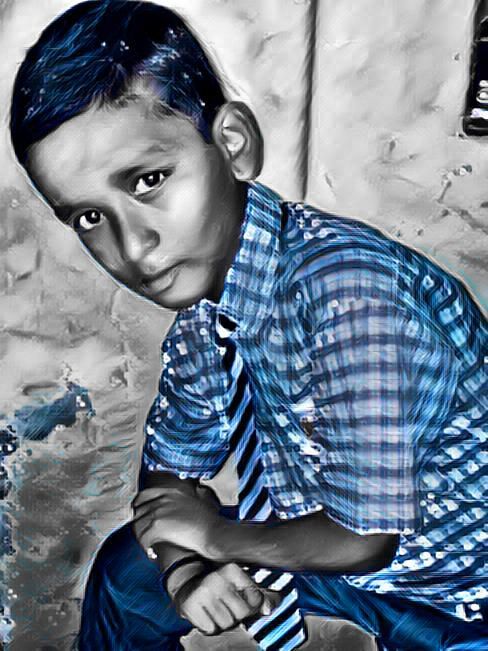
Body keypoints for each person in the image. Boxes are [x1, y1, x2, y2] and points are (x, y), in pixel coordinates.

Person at [9, 1, 488, 649]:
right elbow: (168, 483)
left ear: (233, 144)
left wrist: (215, 537)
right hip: (345, 560)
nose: (133, 244)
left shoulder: (352, 292)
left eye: (149, 180)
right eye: (89, 217)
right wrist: (184, 572)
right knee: (129, 573)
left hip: (457, 590)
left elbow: (363, 538)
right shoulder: (206, 324)